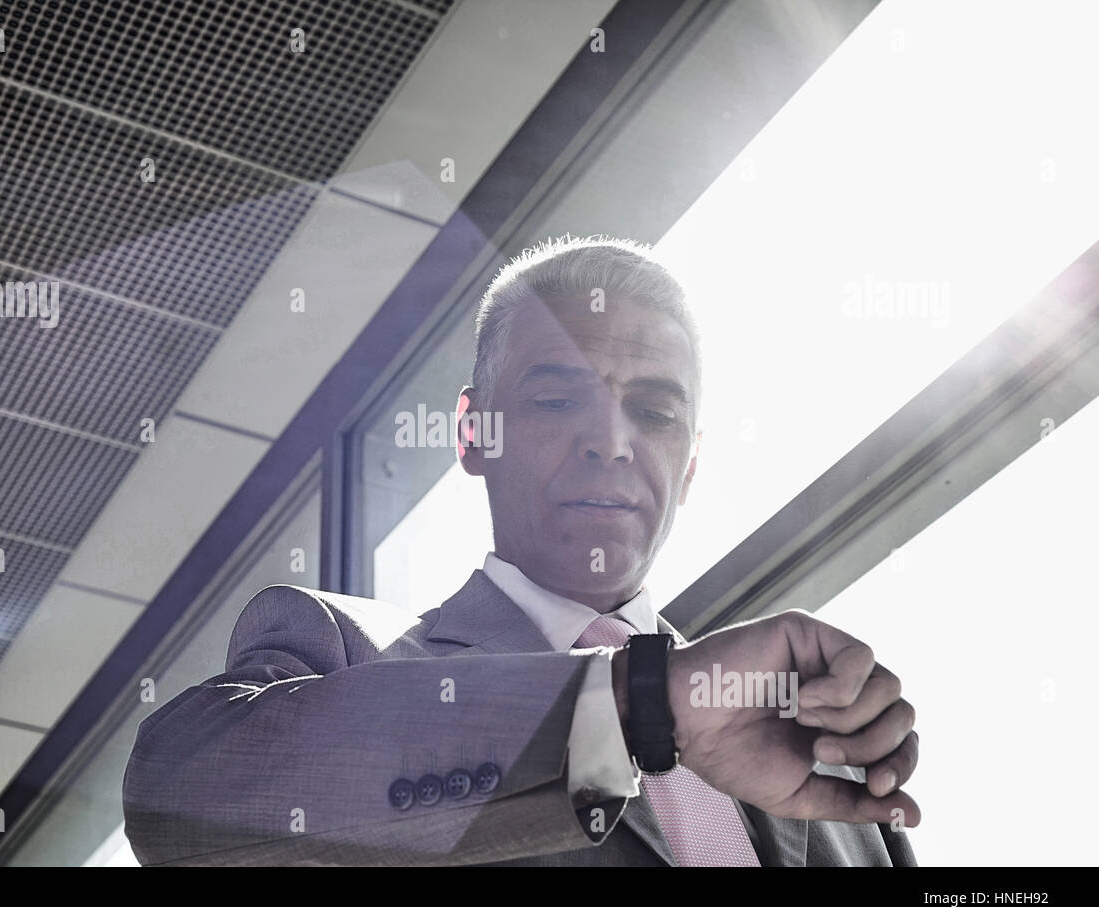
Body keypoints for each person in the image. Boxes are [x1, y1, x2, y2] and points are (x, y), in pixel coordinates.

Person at [122, 235, 920, 866]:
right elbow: (178, 801)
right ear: (472, 433)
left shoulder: (818, 746)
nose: (611, 442)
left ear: (693, 464)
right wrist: (649, 705)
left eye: (653, 411)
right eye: (556, 397)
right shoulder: (346, 652)